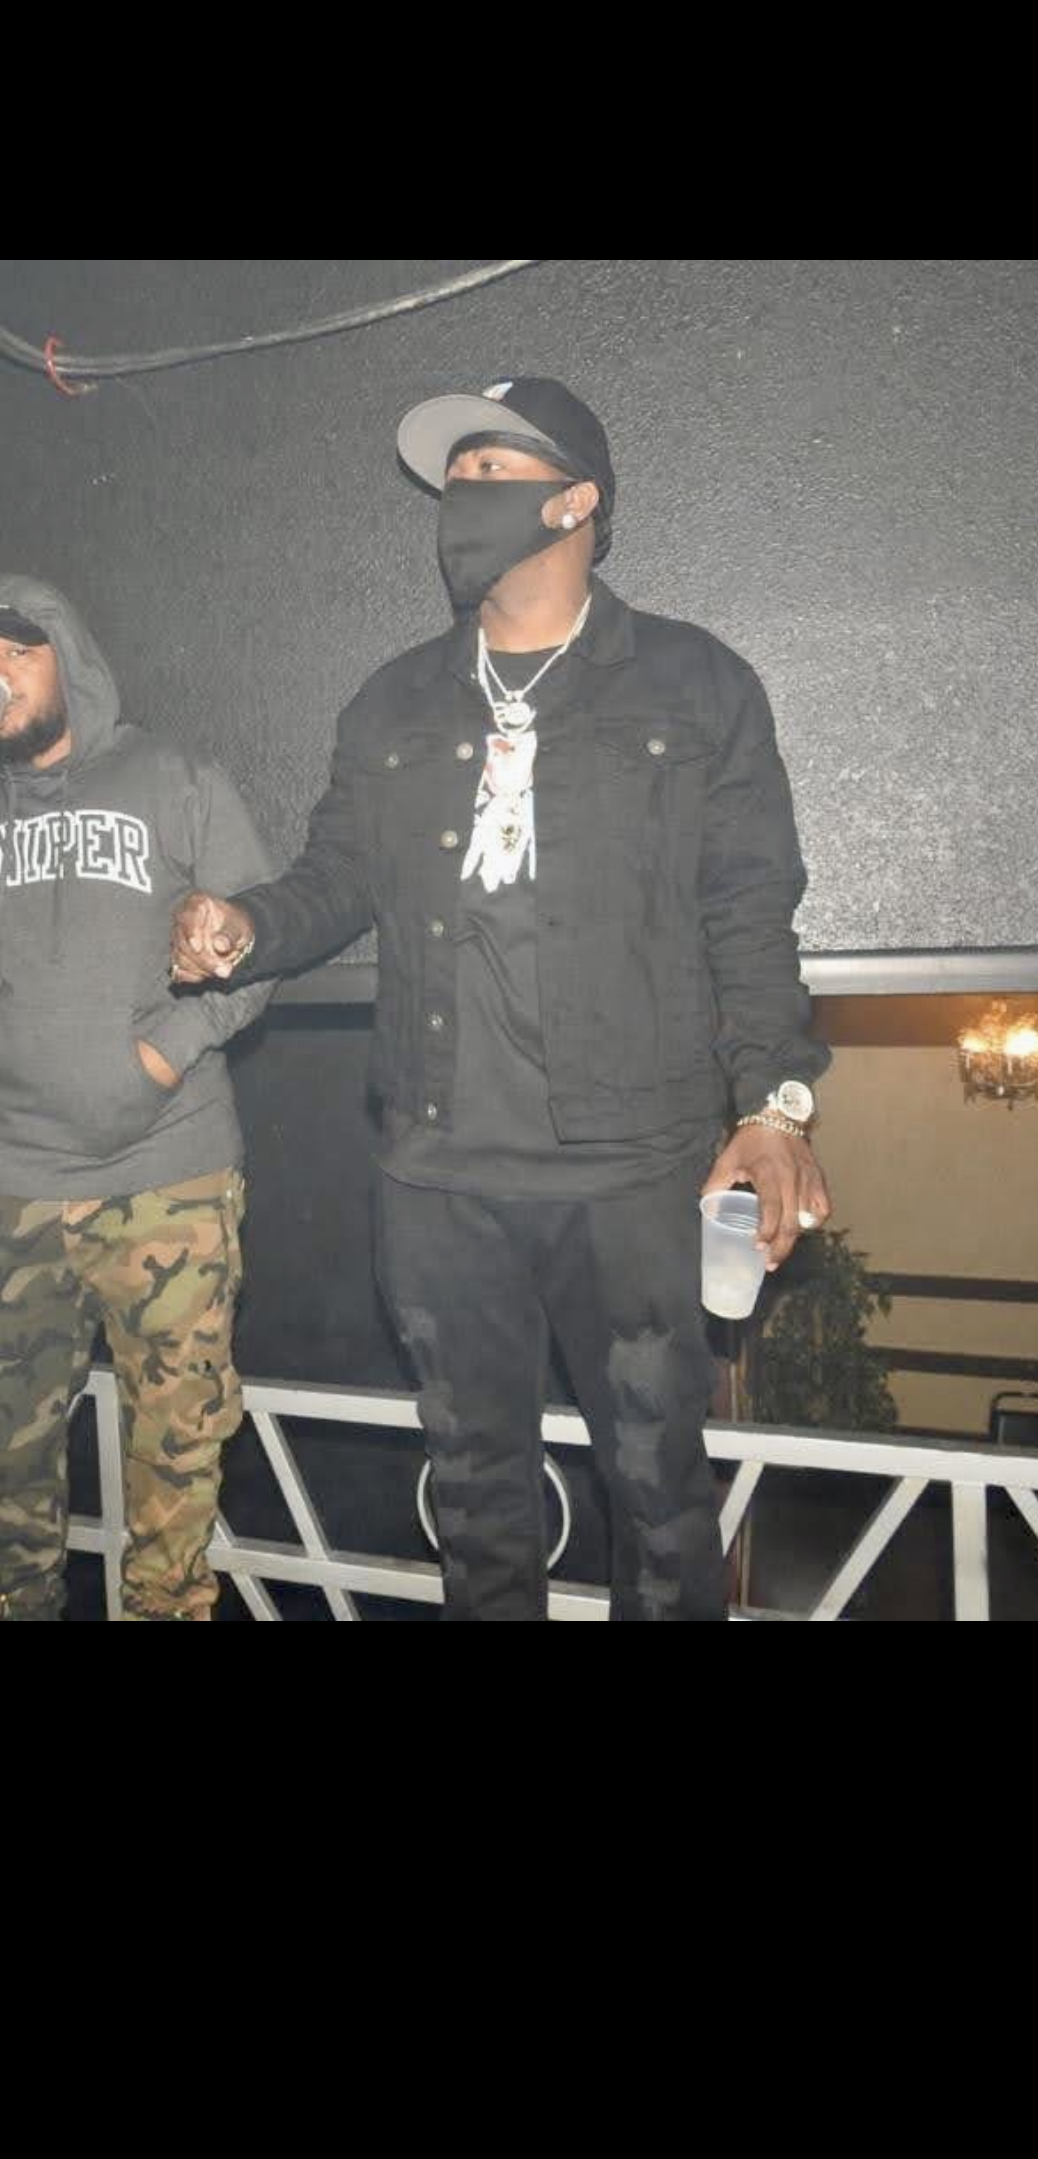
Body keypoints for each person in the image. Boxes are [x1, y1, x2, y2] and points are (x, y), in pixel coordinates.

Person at [170, 377, 832, 1620]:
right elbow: (336, 879)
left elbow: (750, 907)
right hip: (439, 1175)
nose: (459, 497)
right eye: (454, 477)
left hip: (631, 1170)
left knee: (661, 1506)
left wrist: (773, 1107)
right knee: (476, 1508)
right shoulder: (394, 702)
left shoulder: (694, 684)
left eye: (490, 471)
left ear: (575, 501)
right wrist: (247, 927)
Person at [0, 575, 276, 1619]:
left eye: (12, 654)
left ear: (66, 659)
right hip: (15, 1185)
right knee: (3, 1477)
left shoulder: (173, 775)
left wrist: (154, 1061)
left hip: (169, 1176)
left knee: (175, 1479)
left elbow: (255, 952)